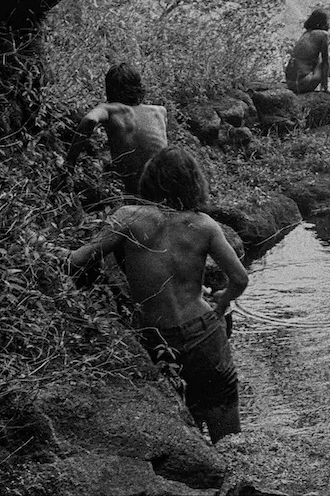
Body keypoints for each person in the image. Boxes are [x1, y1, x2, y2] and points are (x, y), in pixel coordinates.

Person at [64, 147, 248, 442]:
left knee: (183, 425)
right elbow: (240, 278)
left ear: (150, 180)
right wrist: (222, 301)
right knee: (227, 435)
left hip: (159, 338)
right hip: (204, 332)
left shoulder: (128, 217)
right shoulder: (204, 225)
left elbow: (77, 260)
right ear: (193, 183)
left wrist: (37, 246)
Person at [64, 63, 168, 196]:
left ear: (110, 89)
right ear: (138, 87)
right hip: (168, 183)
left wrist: (70, 162)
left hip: (140, 192)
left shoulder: (110, 110)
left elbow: (90, 119)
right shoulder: (159, 111)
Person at [284, 8, 330, 99]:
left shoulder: (306, 34)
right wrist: (325, 87)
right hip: (303, 84)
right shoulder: (323, 34)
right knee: (328, 58)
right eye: (329, 20)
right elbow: (326, 62)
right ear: (324, 22)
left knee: (318, 59)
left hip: (291, 84)